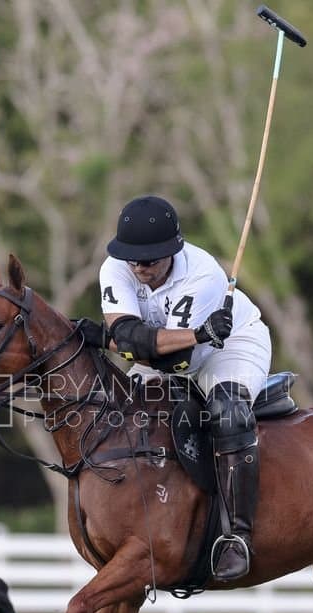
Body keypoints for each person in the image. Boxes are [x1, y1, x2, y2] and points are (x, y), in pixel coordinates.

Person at [94, 196, 271, 581]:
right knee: (122, 412)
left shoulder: (203, 275)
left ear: (172, 252)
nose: (140, 267)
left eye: (150, 260)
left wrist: (102, 338)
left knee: (228, 414)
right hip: (179, 348)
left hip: (229, 345)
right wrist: (119, 339)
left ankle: (236, 535)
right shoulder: (115, 268)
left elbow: (170, 361)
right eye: (133, 259)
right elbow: (127, 335)